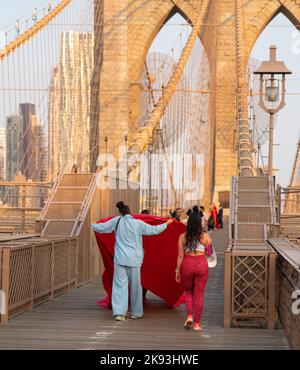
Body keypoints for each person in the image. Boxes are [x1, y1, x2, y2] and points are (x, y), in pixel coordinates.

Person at [92, 201, 173, 321]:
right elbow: (154, 230)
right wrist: (167, 223)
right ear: (130, 213)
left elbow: (102, 228)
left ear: (120, 212)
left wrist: (93, 225)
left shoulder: (117, 221)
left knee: (120, 286)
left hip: (119, 259)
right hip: (134, 260)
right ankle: (136, 312)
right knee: (136, 287)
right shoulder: (138, 223)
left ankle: (119, 313)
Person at [175, 212, 212, 331]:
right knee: (199, 295)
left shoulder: (182, 237)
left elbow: (180, 256)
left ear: (189, 222)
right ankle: (197, 323)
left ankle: (189, 316)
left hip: (187, 264)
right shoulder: (206, 237)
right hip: (201, 264)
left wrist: (177, 271)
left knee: (188, 292)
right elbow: (209, 253)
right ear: (200, 223)